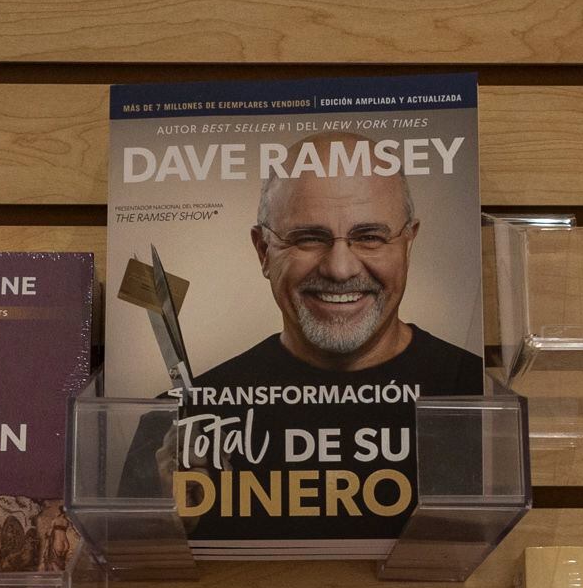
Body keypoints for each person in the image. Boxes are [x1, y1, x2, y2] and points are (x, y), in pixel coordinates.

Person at [191, 134, 482, 397]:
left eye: (369, 237)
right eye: (309, 239)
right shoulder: (188, 416)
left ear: (408, 244)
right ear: (264, 250)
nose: (340, 270)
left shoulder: (477, 392)